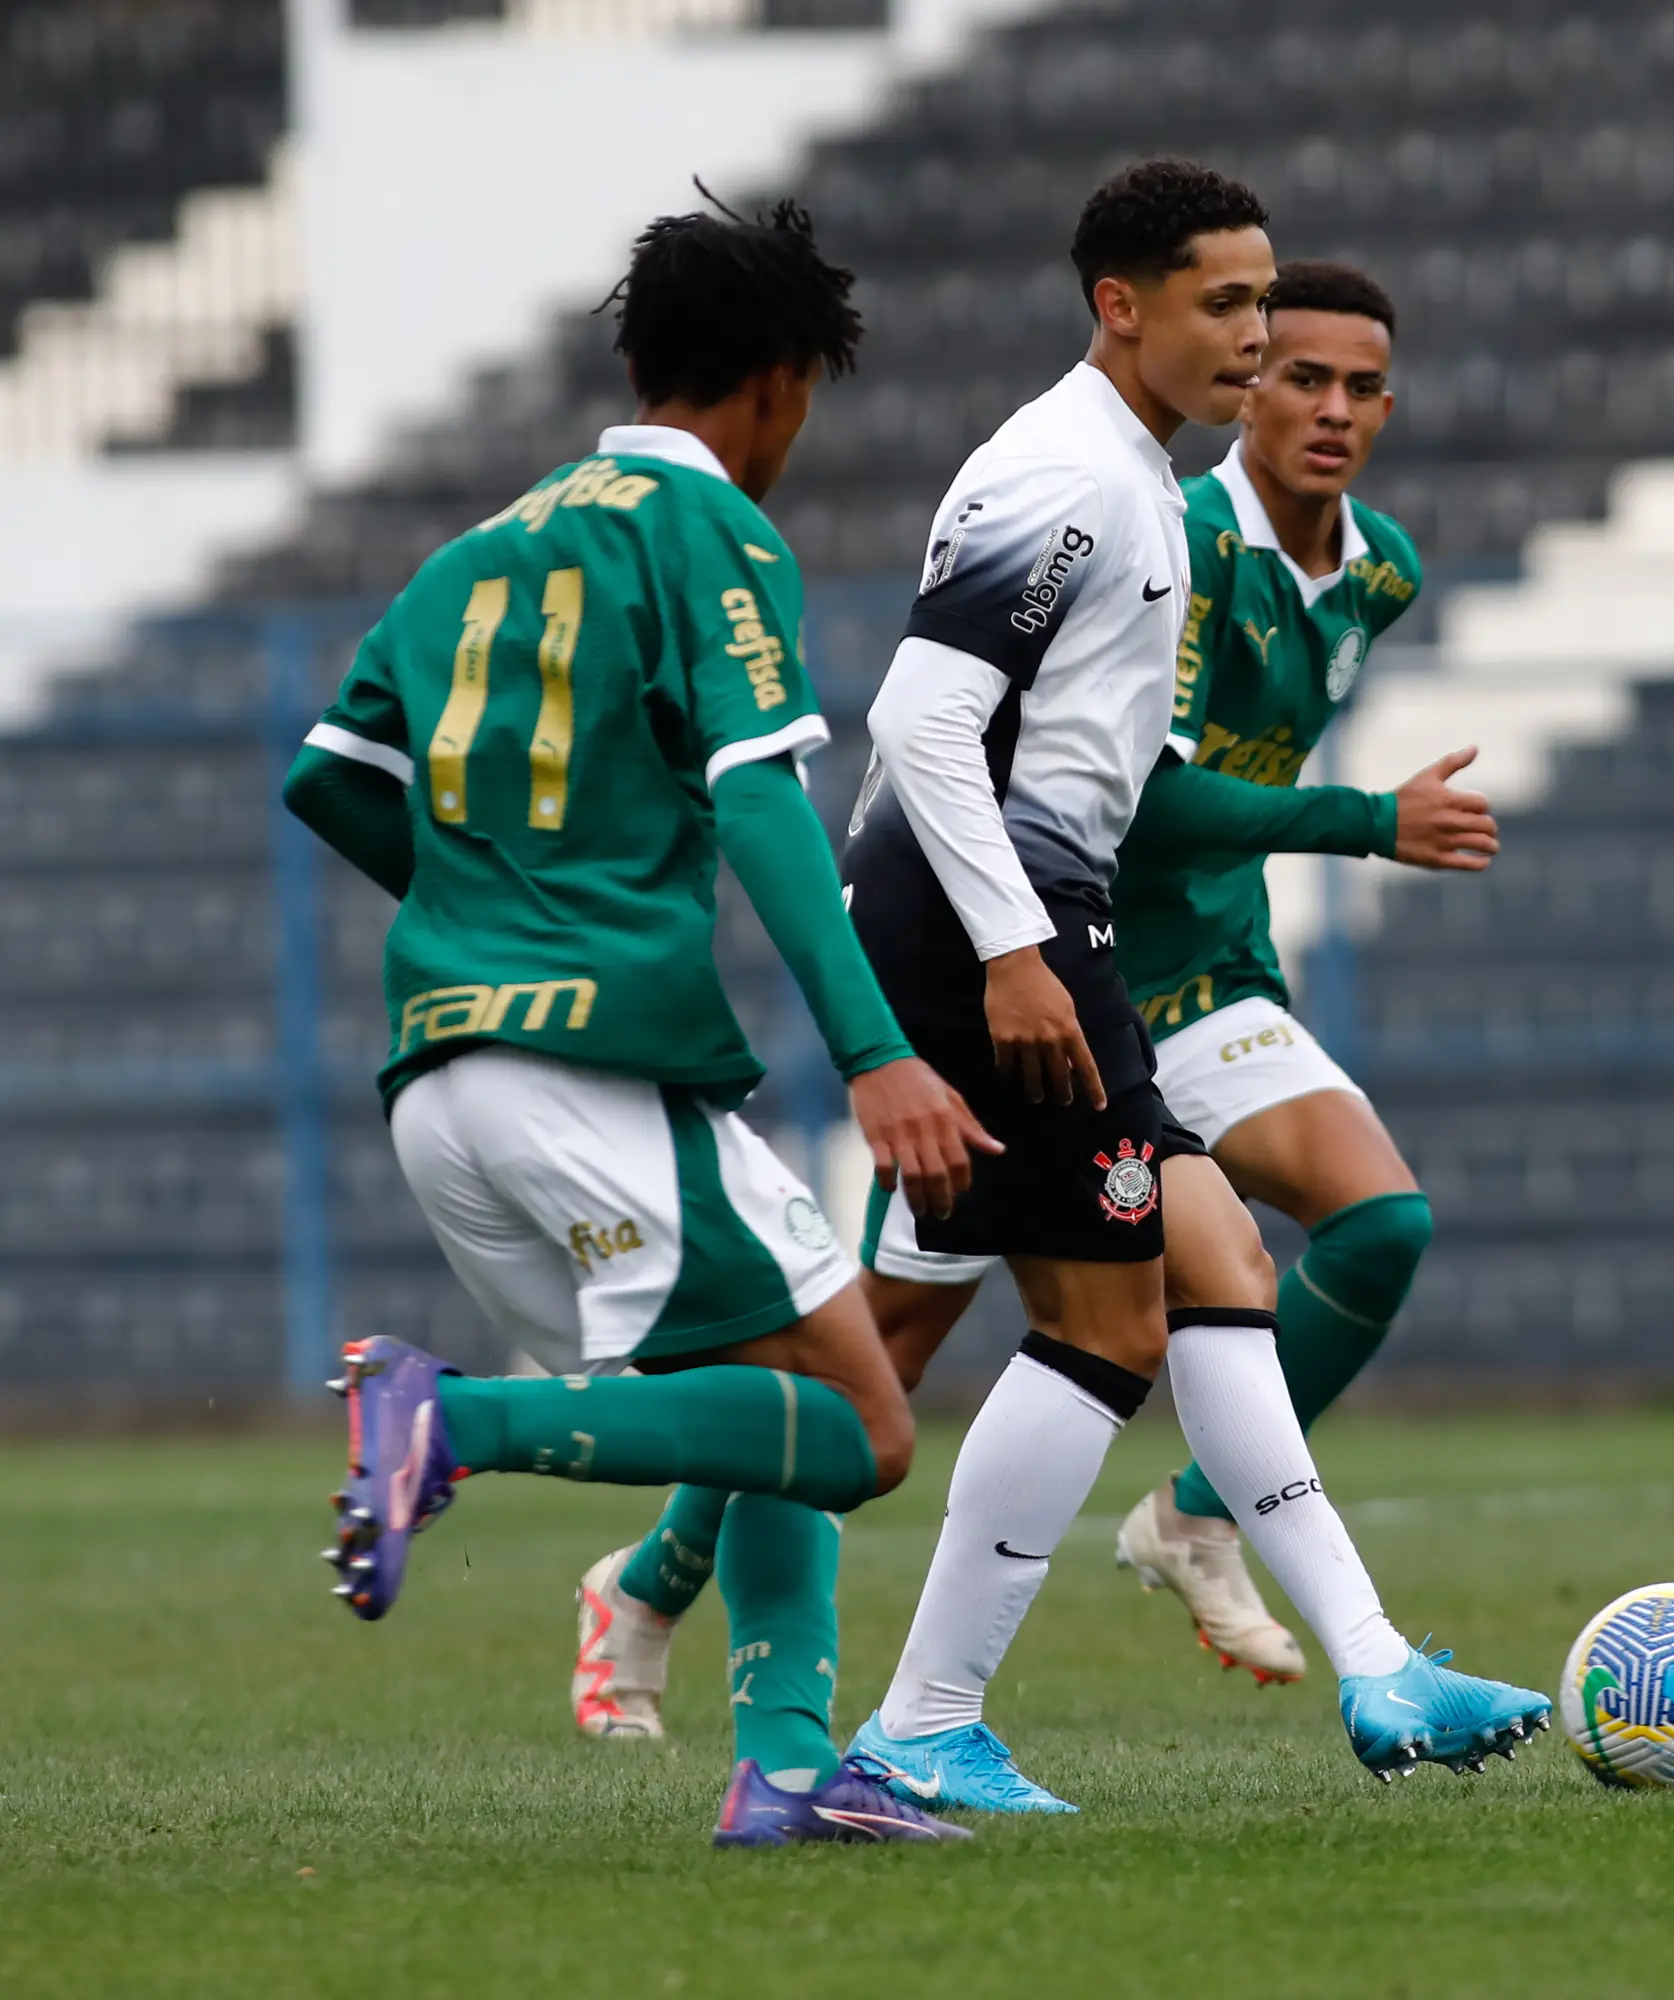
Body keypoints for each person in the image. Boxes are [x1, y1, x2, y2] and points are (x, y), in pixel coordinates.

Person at [574, 158, 1547, 1814]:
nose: (1253, 337)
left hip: (1027, 914)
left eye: (1264, 303)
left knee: (1204, 1260)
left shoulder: (1132, 479)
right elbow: (929, 722)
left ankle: (1377, 1667)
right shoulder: (1074, 481)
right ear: (1123, 305)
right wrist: (1019, 953)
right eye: (1226, 305)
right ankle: (929, 1717)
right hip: (998, 924)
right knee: (1101, 1320)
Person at [282, 195, 993, 1849]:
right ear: (779, 381)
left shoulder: (477, 549)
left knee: (767, 1393)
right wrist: (882, 1054)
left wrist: (478, 918)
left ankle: (792, 1773)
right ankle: (449, 1416)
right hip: (589, 1075)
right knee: (864, 1432)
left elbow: (330, 777)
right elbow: (762, 805)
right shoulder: (712, 533)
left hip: (441, 1081)